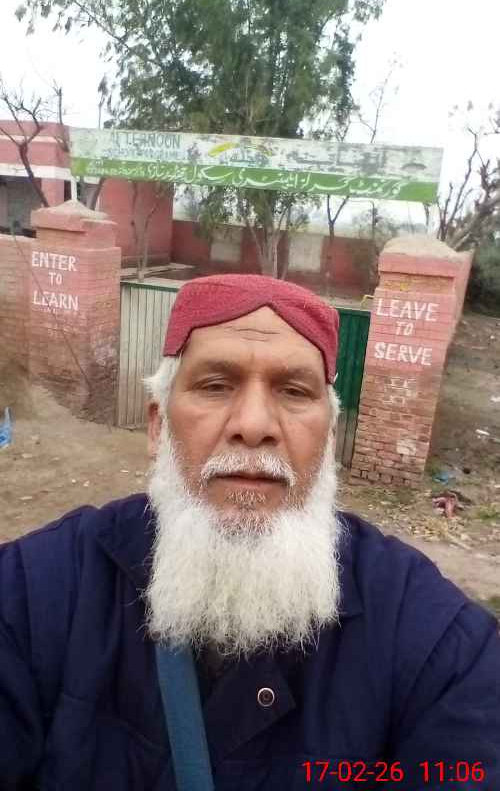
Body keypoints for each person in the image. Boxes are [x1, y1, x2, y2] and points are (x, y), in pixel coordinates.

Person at [0, 274, 499, 790]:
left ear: (327, 440)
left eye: (294, 391)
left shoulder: (431, 638)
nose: (254, 425)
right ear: (158, 426)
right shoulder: (37, 595)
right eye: (215, 386)